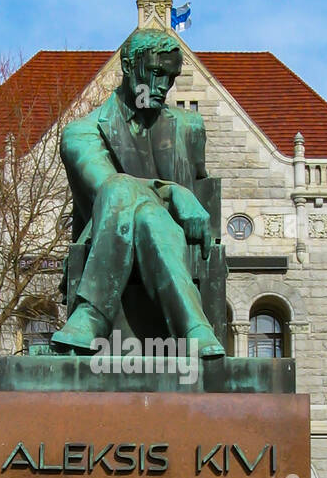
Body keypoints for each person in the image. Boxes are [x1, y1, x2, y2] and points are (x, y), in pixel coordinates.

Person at [51, 29, 224, 357]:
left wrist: (178, 198)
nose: (163, 86)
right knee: (129, 200)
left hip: (175, 239)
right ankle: (193, 326)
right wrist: (173, 193)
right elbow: (108, 187)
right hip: (110, 239)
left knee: (146, 214)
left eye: (171, 77)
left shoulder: (190, 129)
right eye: (156, 73)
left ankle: (92, 315)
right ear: (128, 66)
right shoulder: (81, 134)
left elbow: (204, 196)